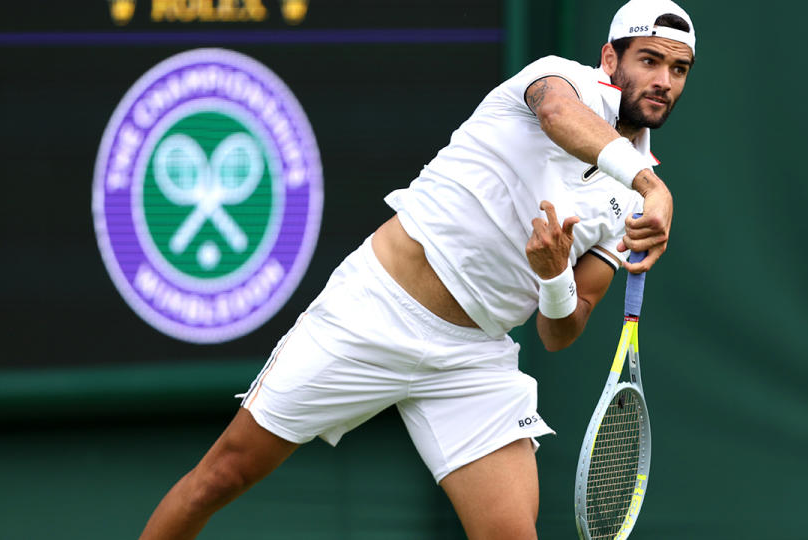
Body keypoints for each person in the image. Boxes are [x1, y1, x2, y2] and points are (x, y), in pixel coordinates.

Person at [139, 0, 696, 538]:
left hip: (472, 359)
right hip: (374, 309)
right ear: (609, 59)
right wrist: (648, 183)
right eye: (649, 60)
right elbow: (555, 115)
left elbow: (561, 331)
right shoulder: (556, 81)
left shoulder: (633, 205)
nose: (663, 81)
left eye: (678, 69)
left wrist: (553, 276)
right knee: (220, 478)